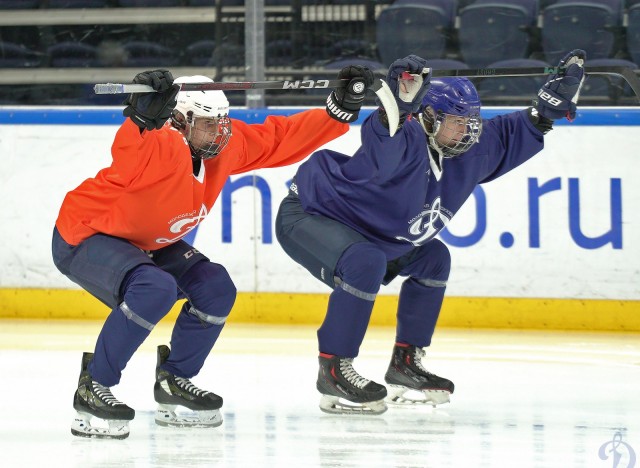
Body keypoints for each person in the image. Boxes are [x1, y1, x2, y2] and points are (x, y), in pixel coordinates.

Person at [52, 66, 375, 439]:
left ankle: (175, 380)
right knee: (152, 289)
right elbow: (130, 155)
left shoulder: (219, 147)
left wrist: (336, 112)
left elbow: (276, 139)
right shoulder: (160, 145)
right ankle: (94, 386)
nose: (220, 131)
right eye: (209, 123)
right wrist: (142, 120)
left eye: (223, 120)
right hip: (87, 235)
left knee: (215, 288)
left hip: (149, 242)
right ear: (179, 120)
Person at [275, 51, 586, 414]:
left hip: (376, 234)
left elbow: (520, 129)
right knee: (365, 261)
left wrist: (546, 110)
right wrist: (396, 107)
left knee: (434, 259)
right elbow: (383, 142)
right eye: (457, 121)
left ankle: (406, 363)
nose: (468, 131)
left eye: (471, 121)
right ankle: (333, 368)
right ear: (427, 117)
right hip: (312, 215)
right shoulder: (404, 138)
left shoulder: (470, 147)